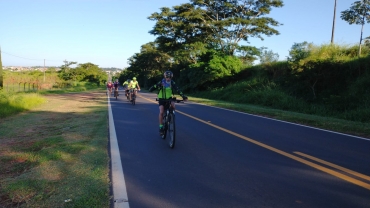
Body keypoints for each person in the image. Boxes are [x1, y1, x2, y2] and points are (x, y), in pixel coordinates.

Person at [149, 70, 188, 134]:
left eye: (169, 77)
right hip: (162, 98)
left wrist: (183, 96)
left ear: (171, 77)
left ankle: (171, 116)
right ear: (165, 77)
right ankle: (161, 126)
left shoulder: (172, 83)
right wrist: (156, 87)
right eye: (167, 77)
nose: (168, 78)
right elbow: (153, 87)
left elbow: (178, 89)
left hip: (169, 98)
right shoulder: (161, 82)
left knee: (173, 105)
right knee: (161, 111)